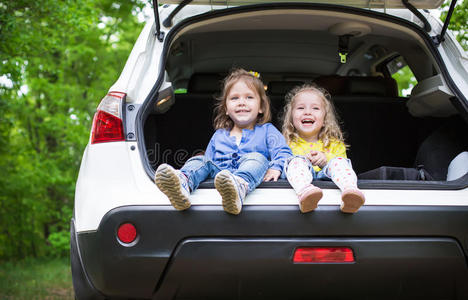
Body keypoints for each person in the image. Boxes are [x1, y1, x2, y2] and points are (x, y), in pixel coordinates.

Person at [155, 69, 291, 214]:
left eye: (249, 97)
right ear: (226, 108)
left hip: (251, 177)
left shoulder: (267, 130)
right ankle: (183, 183)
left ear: (262, 108)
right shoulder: (219, 135)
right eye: (234, 98)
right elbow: (208, 162)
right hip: (220, 179)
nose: (241, 103)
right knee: (201, 160)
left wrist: (276, 167)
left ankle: (239, 187)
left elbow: (283, 152)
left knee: (257, 158)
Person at [282, 83, 365, 213]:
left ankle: (350, 192)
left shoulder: (335, 144)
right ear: (291, 117)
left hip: (328, 179)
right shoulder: (285, 143)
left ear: (325, 118)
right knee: (295, 162)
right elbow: (281, 167)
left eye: (315, 108)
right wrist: (303, 161)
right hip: (300, 185)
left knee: (339, 162)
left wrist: (326, 160)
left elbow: (343, 167)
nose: (307, 112)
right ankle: (306, 194)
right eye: (300, 108)